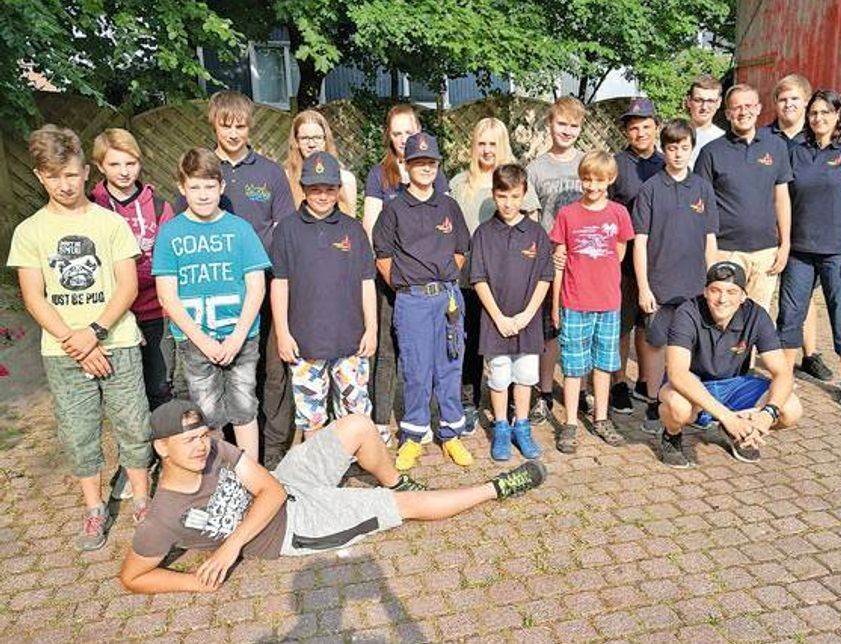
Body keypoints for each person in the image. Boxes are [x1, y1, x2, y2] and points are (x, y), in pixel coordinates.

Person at [119, 399, 547, 594]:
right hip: (296, 528)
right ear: (161, 448)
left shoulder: (214, 450)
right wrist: (193, 584)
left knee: (358, 424)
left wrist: (230, 546)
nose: (201, 445)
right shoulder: (162, 518)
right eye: (188, 439)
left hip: (287, 486)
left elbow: (269, 487)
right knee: (404, 510)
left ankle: (396, 478)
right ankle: (499, 487)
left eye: (202, 434)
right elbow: (133, 577)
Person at [7, 125, 153, 550]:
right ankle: (94, 509)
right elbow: (34, 297)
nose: (64, 185)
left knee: (133, 422)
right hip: (62, 350)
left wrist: (94, 332)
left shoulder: (109, 224)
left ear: (86, 172)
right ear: (39, 176)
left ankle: (143, 499)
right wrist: (74, 341)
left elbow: (127, 286)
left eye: (71, 175)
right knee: (77, 430)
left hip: (117, 341)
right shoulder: (29, 232)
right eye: (53, 176)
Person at [175, 90, 297, 470]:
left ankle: (272, 447)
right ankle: (225, 450)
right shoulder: (203, 173)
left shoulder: (270, 172)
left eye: (240, 125)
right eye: (226, 125)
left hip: (265, 284)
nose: (233, 133)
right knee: (217, 375)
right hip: (218, 291)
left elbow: (283, 227)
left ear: (250, 126)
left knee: (271, 370)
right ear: (213, 123)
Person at [153, 148, 271, 460]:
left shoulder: (240, 229)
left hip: (241, 336)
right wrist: (203, 341)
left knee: (244, 405)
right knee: (207, 411)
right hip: (195, 340)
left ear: (221, 186)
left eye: (209, 186)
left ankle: (249, 471)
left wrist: (237, 336)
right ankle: (218, 475)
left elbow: (256, 286)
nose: (203, 195)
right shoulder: (170, 234)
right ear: (182, 187)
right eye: (195, 187)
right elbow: (167, 295)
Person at [372, 133, 472, 470]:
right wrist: (405, 286)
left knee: (449, 365)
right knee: (415, 370)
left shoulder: (449, 206)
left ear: (437, 166)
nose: (425, 168)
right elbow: (383, 256)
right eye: (418, 162)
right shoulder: (394, 209)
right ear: (406, 165)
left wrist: (442, 281)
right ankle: (413, 437)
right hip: (412, 300)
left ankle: (451, 434)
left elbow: (460, 249)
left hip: (447, 298)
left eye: (431, 162)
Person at [777, 89, 841, 407]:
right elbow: (781, 196)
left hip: (840, 251)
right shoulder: (796, 149)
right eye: (814, 113)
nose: (818, 118)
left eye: (825, 113)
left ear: (838, 115)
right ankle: (785, 379)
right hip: (799, 251)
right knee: (790, 314)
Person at [270, 151, 377, 439]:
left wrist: (372, 328)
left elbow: (367, 281)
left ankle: (355, 466)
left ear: (338, 191)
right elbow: (279, 283)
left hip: (350, 340)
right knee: (311, 415)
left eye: (329, 189)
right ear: (304, 188)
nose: (322, 196)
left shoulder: (353, 230)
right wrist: (283, 333)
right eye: (315, 189)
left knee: (355, 412)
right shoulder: (287, 230)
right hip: (305, 343)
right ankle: (318, 477)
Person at [657, 262, 803, 468]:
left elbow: (783, 373)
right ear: (705, 292)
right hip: (694, 385)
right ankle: (672, 436)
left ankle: (743, 432)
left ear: (743, 296)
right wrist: (727, 417)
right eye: (715, 290)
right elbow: (677, 374)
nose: (722, 299)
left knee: (791, 408)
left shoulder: (757, 316)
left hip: (734, 384)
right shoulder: (687, 313)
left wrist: (767, 415)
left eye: (731, 292)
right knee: (676, 406)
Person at [362, 105, 449, 447]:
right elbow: (371, 226)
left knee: (427, 350)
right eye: (396, 133)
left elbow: (441, 228)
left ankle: (424, 417)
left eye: (408, 132)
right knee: (387, 352)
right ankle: (381, 420)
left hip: (424, 281)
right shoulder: (378, 174)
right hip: (390, 278)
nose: (402, 139)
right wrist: (393, 277)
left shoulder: (433, 172)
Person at [451, 118, 541, 427]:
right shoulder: (459, 184)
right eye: (482, 143)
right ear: (474, 145)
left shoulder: (516, 183)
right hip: (472, 280)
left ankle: (516, 407)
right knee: (473, 340)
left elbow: (531, 231)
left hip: (511, 283)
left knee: (512, 348)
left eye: (493, 143)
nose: (487, 150)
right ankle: (469, 401)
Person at [632, 118, 719, 434]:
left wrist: (714, 281)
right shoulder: (650, 190)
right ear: (663, 149)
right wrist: (644, 286)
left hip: (695, 286)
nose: (678, 154)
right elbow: (640, 242)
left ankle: (693, 403)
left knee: (692, 348)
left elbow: (710, 239)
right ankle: (654, 403)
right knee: (656, 345)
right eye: (672, 148)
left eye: (684, 148)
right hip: (661, 286)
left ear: (692, 149)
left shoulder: (703, 189)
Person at [549, 150, 634, 453]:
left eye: (599, 181)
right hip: (574, 301)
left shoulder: (619, 214)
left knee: (603, 364)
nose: (592, 186)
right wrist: (556, 304)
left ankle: (601, 417)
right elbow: (560, 259)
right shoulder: (567, 215)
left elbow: (619, 252)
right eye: (587, 179)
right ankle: (571, 421)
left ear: (610, 180)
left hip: (608, 301)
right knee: (573, 366)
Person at [469, 164, 553, 461]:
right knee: (499, 377)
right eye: (502, 195)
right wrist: (499, 317)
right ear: (494, 195)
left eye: (515, 196)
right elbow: (478, 278)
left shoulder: (536, 233)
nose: (508, 203)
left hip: (527, 323)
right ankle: (502, 428)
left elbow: (545, 276)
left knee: (525, 376)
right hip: (496, 323)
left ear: (524, 194)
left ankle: (522, 426)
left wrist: (528, 315)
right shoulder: (483, 234)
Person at [90, 128, 175, 411]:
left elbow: (167, 263)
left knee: (160, 388)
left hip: (155, 314)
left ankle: (164, 451)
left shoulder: (160, 206)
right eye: (115, 164)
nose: (124, 172)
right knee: (123, 396)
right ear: (100, 166)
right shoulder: (91, 209)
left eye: (131, 163)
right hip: (111, 316)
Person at [694, 83, 792, 312]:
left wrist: (785, 243)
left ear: (758, 108)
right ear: (727, 114)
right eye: (736, 108)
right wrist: (708, 252)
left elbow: (782, 198)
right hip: (725, 250)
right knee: (722, 314)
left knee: (758, 317)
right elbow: (700, 206)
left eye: (749, 105)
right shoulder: (711, 152)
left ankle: (751, 351)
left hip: (765, 252)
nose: (743, 112)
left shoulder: (776, 147)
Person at [526, 96, 588, 425]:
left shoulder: (587, 164)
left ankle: (583, 390)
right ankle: (545, 393)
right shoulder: (536, 168)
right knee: (550, 330)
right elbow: (534, 220)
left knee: (582, 329)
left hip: (585, 261)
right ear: (550, 124)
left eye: (573, 125)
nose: (567, 130)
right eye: (561, 123)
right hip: (552, 259)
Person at [768, 74, 833, 382]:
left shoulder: (816, 137)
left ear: (806, 103)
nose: (789, 104)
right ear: (775, 104)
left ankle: (809, 355)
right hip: (768, 227)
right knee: (764, 294)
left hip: (806, 230)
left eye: (795, 99)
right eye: (783, 99)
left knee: (802, 297)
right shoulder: (764, 137)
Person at [606, 98, 664, 415]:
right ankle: (618, 383)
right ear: (626, 132)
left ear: (656, 127)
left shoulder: (667, 163)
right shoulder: (617, 165)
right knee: (622, 325)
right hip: (622, 259)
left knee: (649, 324)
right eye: (633, 128)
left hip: (657, 258)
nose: (640, 132)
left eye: (645, 126)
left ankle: (646, 380)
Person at [284, 109, 357, 215]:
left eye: (317, 138)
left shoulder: (346, 180)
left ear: (325, 140)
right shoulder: (285, 179)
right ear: (296, 142)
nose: (312, 144)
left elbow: (351, 224)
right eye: (305, 138)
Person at [685, 75, 725, 169]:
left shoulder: (723, 140)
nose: (704, 107)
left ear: (718, 103)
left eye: (710, 101)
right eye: (699, 100)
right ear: (689, 101)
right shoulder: (673, 134)